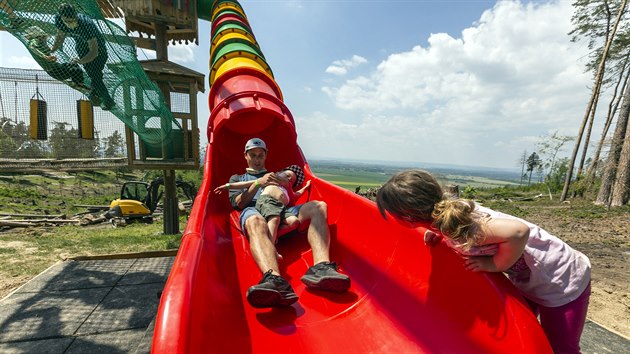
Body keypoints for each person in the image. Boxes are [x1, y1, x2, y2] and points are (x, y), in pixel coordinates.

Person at [375, 169, 591, 354]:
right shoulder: (448, 217)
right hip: (530, 277)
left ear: (409, 218)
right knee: (523, 329)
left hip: (561, 279)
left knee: (561, 347)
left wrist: (496, 265)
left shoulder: (469, 228)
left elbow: (518, 231)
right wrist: (438, 235)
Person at [226, 138, 350, 308]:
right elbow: (238, 203)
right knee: (255, 220)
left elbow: (287, 197)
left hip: (281, 212)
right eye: (253, 155)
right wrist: (257, 183)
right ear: (246, 156)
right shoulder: (238, 178)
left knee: (319, 206)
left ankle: (321, 268)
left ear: (265, 156)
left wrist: (288, 185)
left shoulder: (277, 175)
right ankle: (274, 278)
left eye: (260, 155)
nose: (257, 159)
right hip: (254, 211)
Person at [214, 165, 312, 254]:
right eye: (287, 175)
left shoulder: (288, 190)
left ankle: (269, 236)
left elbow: (297, 194)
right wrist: (228, 186)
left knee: (294, 222)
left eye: (292, 180)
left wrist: (306, 187)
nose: (289, 178)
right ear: (278, 173)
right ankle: (271, 249)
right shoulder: (271, 179)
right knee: (275, 219)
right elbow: (246, 184)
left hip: (281, 208)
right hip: (267, 201)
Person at [51, 3, 115, 110]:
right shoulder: (58, 19)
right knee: (93, 75)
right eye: (67, 21)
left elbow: (94, 52)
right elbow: (60, 36)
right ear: (62, 17)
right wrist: (52, 49)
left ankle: (107, 101)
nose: (70, 23)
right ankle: (95, 94)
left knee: (95, 75)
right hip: (81, 48)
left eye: (72, 20)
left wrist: (80, 61)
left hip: (99, 50)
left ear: (76, 15)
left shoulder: (86, 24)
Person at [24, 26, 88, 91]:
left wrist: (51, 57)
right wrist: (46, 57)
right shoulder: (35, 41)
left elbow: (47, 52)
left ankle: (77, 83)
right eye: (43, 37)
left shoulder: (42, 43)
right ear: (38, 36)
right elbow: (32, 47)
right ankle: (78, 84)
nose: (44, 39)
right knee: (74, 67)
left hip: (57, 68)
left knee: (74, 65)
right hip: (55, 71)